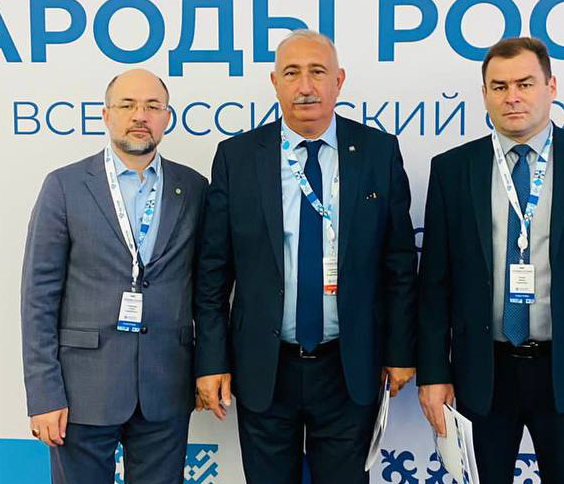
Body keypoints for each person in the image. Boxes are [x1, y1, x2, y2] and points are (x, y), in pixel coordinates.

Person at [416, 37, 564, 484]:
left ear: (551, 87)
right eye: (499, 86)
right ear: (485, 94)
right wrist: (433, 372)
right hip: (482, 374)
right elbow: (434, 285)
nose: (512, 97)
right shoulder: (453, 170)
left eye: (524, 84)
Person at [194, 30, 418, 484]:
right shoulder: (237, 158)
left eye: (318, 72)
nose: (306, 86)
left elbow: (398, 264)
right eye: (292, 73)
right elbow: (213, 272)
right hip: (264, 366)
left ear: (339, 80)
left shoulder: (378, 152)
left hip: (348, 366)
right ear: (274, 82)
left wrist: (400, 351)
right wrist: (212, 360)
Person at [21, 68, 207, 483]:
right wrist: (44, 393)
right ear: (106, 115)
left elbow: (207, 290)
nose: (140, 115)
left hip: (165, 387)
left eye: (152, 106)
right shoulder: (65, 186)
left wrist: (208, 367)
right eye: (127, 105)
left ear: (167, 117)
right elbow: (38, 299)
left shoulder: (194, 189)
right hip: (81, 391)